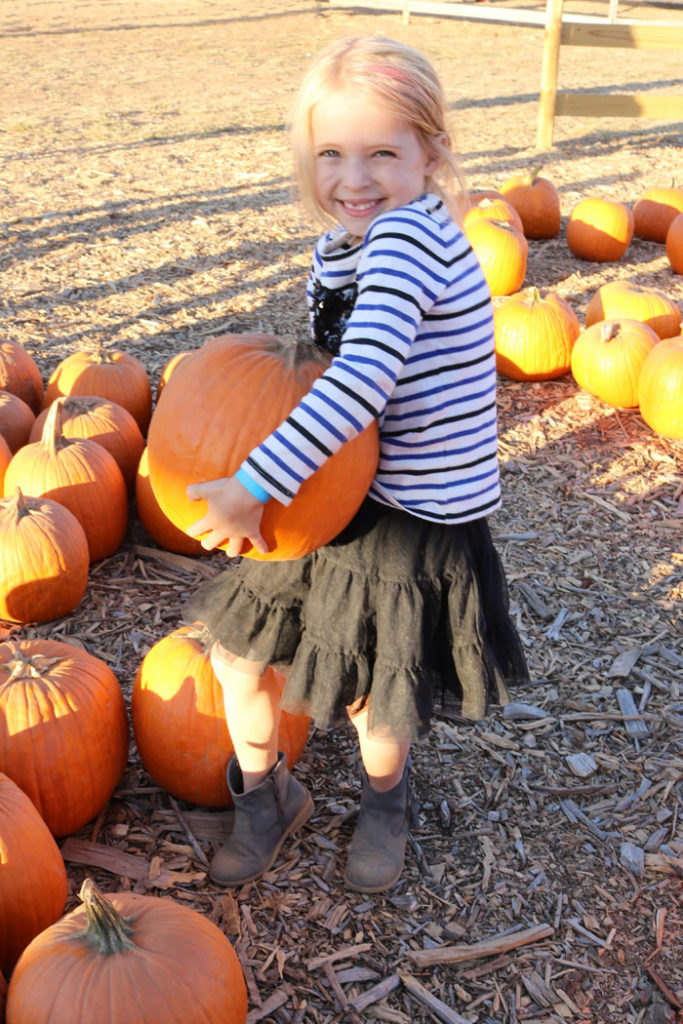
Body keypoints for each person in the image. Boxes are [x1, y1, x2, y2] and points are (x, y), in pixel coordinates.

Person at [183, 34, 529, 894]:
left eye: (382, 153)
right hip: (338, 492)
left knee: (377, 693)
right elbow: (318, 368)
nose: (353, 178)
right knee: (235, 655)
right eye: (331, 153)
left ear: (431, 154)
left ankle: (384, 804)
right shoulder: (344, 244)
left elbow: (363, 378)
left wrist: (250, 483)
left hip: (410, 512)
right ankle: (265, 797)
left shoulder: (410, 241)